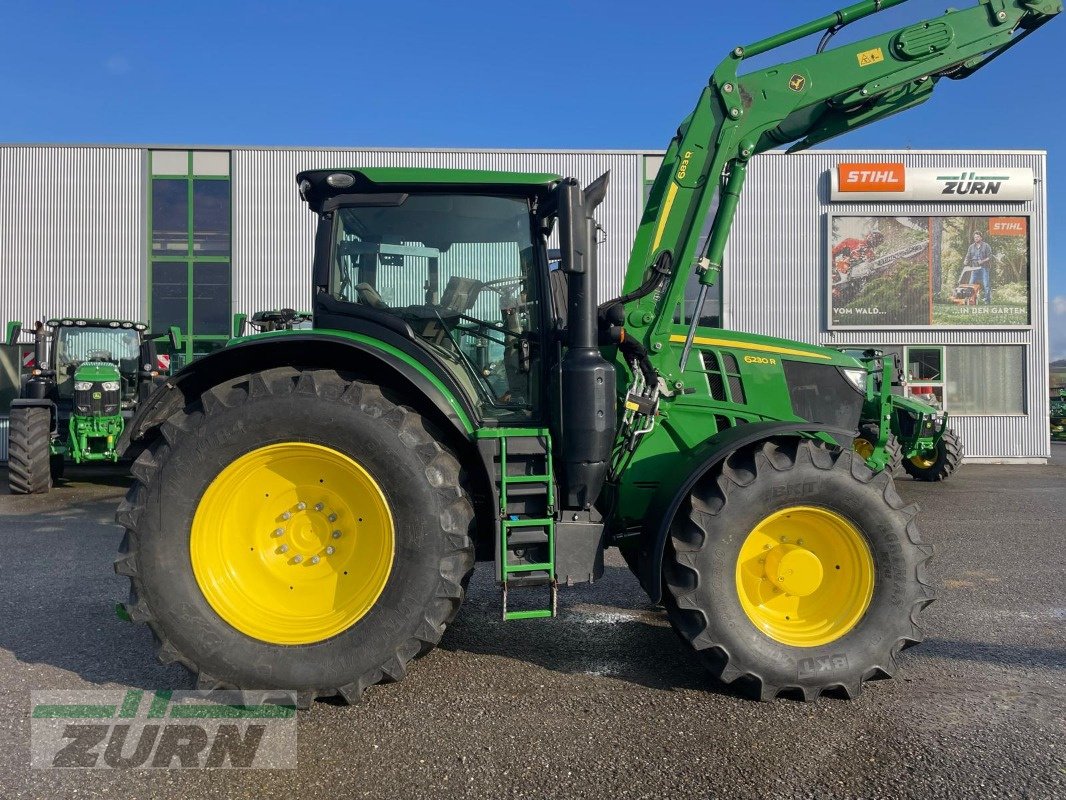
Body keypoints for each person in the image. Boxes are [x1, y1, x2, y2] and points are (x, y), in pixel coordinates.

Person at [961, 231, 993, 304]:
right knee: (971, 284)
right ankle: (970, 300)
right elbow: (968, 256)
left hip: (984, 267)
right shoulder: (971, 247)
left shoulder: (986, 246)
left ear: (981, 237)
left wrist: (982, 261)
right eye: (975, 237)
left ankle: (987, 301)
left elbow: (990, 256)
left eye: (977, 237)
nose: (976, 238)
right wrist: (965, 261)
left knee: (986, 285)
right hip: (974, 268)